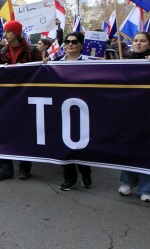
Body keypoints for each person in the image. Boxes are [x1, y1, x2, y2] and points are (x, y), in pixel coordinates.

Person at [43, 31, 93, 191]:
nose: (70, 44)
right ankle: (69, 178)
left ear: (81, 45)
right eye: (67, 41)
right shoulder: (55, 62)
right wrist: (44, 67)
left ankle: (86, 172)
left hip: (83, 111)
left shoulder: (90, 62)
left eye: (74, 41)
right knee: (63, 146)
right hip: (61, 110)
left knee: (82, 145)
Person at [117, 32, 150, 202]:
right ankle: (127, 181)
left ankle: (147, 189)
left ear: (149, 44)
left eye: (143, 41)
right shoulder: (125, 59)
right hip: (129, 111)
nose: (138, 43)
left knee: (148, 150)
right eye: (136, 40)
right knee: (128, 147)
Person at [0, 21, 34, 182]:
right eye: (5, 31)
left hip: (25, 96)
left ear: (17, 33)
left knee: (23, 133)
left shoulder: (31, 51)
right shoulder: (1, 52)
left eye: (8, 31)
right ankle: (5, 168)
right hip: (6, 97)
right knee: (3, 132)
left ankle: (24, 167)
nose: (5, 34)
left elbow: (40, 72)